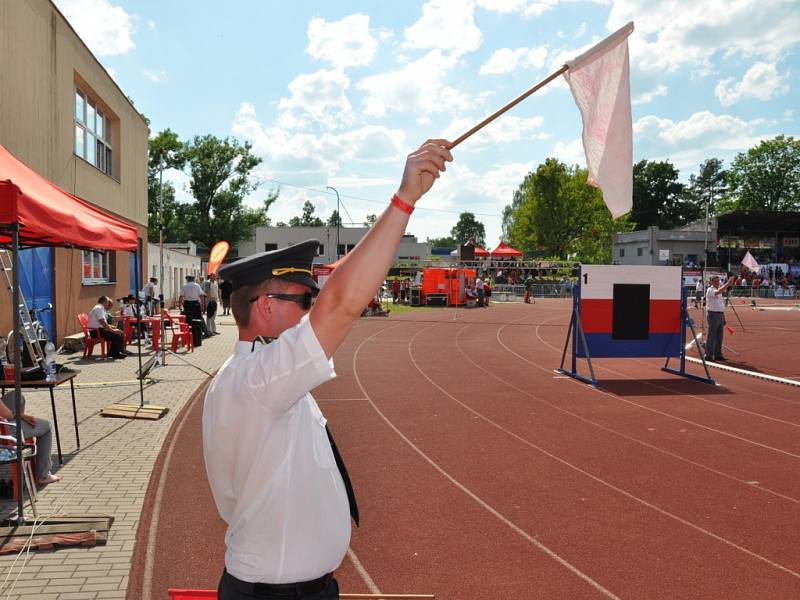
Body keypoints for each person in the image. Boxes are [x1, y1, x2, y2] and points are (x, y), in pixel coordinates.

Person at [204, 138, 452, 600]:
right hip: (274, 592)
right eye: (301, 300)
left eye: (309, 301)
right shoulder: (257, 381)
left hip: (290, 587)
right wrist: (403, 201)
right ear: (264, 307)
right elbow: (341, 305)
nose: (308, 311)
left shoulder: (259, 375)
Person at [0, 390, 60, 485]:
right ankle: (44, 475)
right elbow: (6, 414)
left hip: (4, 423)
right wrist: (18, 415)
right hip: (4, 430)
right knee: (47, 427)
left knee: (17, 395)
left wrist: (21, 415)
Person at [705, 274, 734, 362]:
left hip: (720, 314)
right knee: (712, 335)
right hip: (713, 314)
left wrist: (723, 317)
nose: (718, 282)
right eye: (716, 281)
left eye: (718, 281)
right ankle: (708, 354)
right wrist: (728, 283)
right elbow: (718, 292)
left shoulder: (718, 290)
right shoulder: (710, 290)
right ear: (711, 282)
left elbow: (720, 305)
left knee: (719, 336)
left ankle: (718, 354)